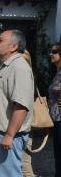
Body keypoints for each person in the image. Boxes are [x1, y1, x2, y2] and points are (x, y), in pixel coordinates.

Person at [0, 29, 34, 177]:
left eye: (0, 40)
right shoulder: (2, 66)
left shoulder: (19, 67)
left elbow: (21, 106)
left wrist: (9, 135)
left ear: (13, 46)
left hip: (7, 136)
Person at [48, 42, 61, 177]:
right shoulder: (57, 72)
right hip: (56, 118)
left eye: (54, 51)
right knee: (57, 153)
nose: (50, 54)